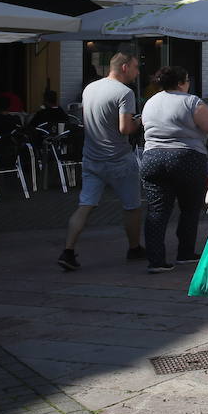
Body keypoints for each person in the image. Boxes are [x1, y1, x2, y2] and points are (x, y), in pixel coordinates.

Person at [58, 52, 144, 271]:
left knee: (85, 205)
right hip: (119, 158)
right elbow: (125, 128)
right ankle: (134, 248)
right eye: (135, 67)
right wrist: (140, 121)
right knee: (132, 206)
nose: (137, 72)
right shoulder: (125, 93)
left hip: (92, 157)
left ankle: (68, 250)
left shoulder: (90, 89)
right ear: (124, 67)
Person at [140, 66, 208, 273]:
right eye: (187, 80)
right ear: (181, 83)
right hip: (186, 158)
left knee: (157, 211)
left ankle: (156, 260)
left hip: (152, 158)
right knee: (189, 208)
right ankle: (185, 252)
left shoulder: (150, 102)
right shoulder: (191, 102)